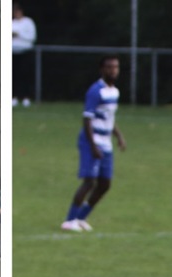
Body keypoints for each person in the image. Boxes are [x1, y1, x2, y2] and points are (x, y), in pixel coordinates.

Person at [61, 55, 126, 232]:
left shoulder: (115, 92)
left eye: (116, 67)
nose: (113, 70)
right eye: (110, 67)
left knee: (105, 184)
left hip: (106, 142)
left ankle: (82, 217)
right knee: (89, 181)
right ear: (102, 69)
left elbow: (109, 118)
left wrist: (118, 136)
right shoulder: (95, 91)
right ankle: (69, 220)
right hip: (93, 141)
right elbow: (87, 120)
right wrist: (93, 146)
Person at [11, 3, 37, 107]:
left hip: (25, 52)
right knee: (14, 75)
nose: (16, 13)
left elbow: (32, 37)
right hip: (13, 52)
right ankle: (14, 97)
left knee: (25, 75)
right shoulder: (11, 22)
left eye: (17, 11)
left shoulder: (28, 22)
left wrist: (18, 34)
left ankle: (26, 97)